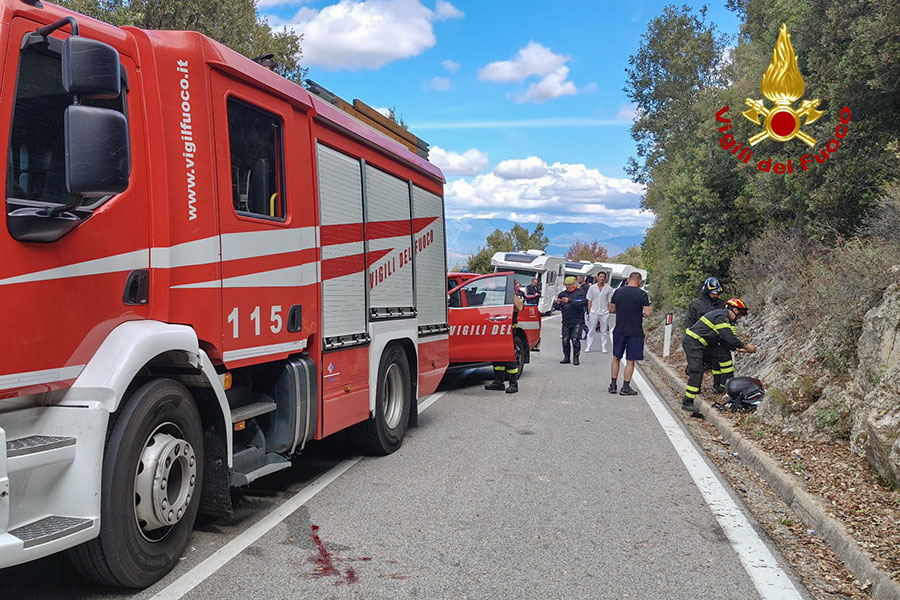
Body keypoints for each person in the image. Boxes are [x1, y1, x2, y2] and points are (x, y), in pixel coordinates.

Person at [681, 298, 757, 413]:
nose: (739, 318)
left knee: (724, 354)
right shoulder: (721, 317)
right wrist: (747, 347)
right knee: (697, 371)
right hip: (693, 343)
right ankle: (688, 401)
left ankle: (723, 387)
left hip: (704, 344)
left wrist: (746, 350)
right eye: (740, 314)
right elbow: (730, 338)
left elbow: (728, 343)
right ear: (734, 310)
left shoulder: (726, 321)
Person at [608, 272, 651, 396]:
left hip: (620, 329)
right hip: (635, 331)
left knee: (616, 357)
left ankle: (613, 385)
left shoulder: (618, 292)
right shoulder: (642, 294)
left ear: (628, 280)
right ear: (639, 281)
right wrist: (640, 314)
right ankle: (625, 387)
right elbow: (648, 313)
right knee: (630, 360)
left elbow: (611, 309)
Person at [683, 276, 726, 387]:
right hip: (698, 342)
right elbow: (688, 323)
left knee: (717, 364)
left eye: (717, 293)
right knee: (697, 367)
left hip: (714, 341)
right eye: (713, 293)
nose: (715, 295)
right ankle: (695, 388)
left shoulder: (722, 305)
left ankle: (717, 386)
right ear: (707, 291)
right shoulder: (696, 305)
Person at [484, 283, 526, 394]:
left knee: (508, 356)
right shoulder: (496, 295)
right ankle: (499, 382)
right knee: (497, 356)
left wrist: (510, 294)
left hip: (508, 330)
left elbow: (520, 307)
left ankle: (513, 384)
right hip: (495, 329)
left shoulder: (517, 295)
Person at [553, 276, 587, 365]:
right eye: (566, 285)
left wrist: (569, 301)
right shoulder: (562, 294)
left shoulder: (580, 292)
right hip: (566, 320)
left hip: (578, 320)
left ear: (574, 285)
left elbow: (582, 303)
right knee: (565, 339)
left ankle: (576, 357)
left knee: (575, 339)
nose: (568, 287)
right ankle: (566, 357)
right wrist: (558, 303)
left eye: (570, 285)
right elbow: (556, 307)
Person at [585, 271, 613, 353]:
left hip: (604, 312)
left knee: (603, 331)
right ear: (597, 277)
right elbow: (589, 300)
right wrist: (589, 311)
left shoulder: (609, 289)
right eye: (600, 277)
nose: (602, 278)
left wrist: (608, 311)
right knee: (591, 330)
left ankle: (603, 347)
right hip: (594, 311)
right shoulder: (592, 288)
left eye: (603, 277)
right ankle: (588, 346)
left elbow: (609, 301)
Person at [576, 275, 590, 339]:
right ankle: (580, 334)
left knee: (580, 320)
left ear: (582, 279)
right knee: (580, 320)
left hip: (583, 305)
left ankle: (586, 331)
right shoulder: (581, 287)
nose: (577, 280)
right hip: (580, 305)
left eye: (579, 279)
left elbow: (586, 297)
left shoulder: (586, 287)